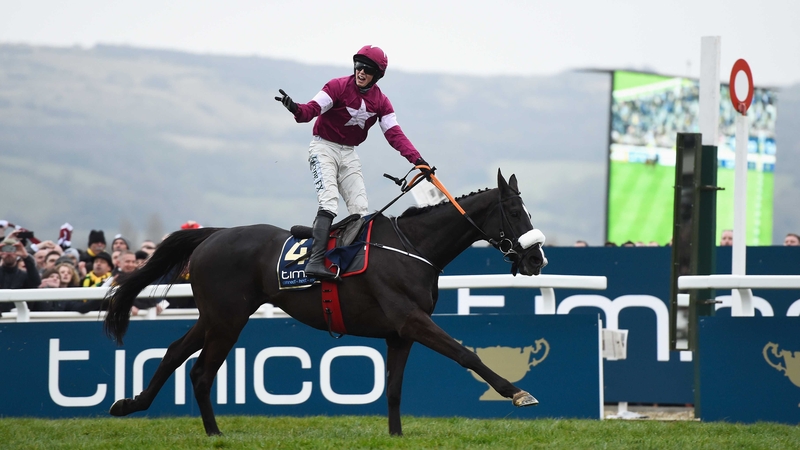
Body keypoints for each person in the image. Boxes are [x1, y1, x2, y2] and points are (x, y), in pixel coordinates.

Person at [275, 45, 431, 279]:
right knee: (329, 202)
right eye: (358, 66)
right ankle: (315, 262)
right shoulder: (336, 86)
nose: (361, 72)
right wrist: (295, 108)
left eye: (367, 70)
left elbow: (394, 134)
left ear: (377, 76)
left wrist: (417, 160)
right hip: (323, 148)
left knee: (360, 211)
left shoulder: (382, 102)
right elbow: (311, 110)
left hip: (349, 153)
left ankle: (344, 255)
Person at [0, 234, 42, 315]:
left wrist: (26, 256)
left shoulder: (23, 276)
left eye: (12, 249)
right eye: (5, 249)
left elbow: (36, 282)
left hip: (19, 316)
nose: (9, 253)